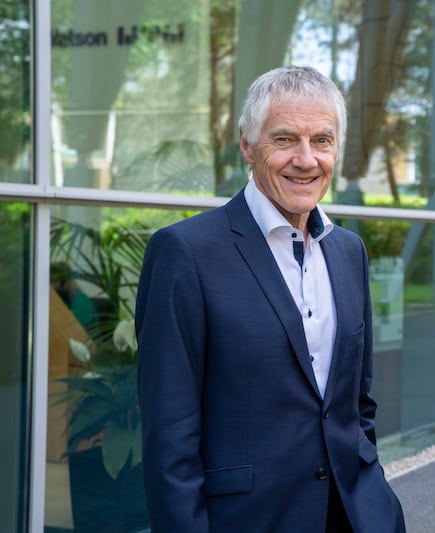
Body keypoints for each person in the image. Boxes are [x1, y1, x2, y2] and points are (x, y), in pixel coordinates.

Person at [136, 65, 406, 533]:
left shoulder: (348, 252)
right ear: (247, 143)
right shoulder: (185, 253)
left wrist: (374, 491)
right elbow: (170, 440)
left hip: (357, 515)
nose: (306, 160)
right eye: (284, 140)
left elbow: (356, 405)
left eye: (322, 140)